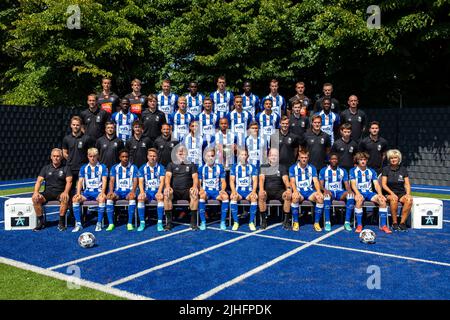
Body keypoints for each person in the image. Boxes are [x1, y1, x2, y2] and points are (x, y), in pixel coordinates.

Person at [350, 152, 391, 234]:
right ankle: (359, 225)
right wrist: (357, 194)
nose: (363, 161)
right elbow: (353, 184)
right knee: (359, 200)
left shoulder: (371, 171)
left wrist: (380, 194)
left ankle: (383, 225)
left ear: (367, 161)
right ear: (357, 161)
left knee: (382, 201)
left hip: (369, 193)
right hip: (359, 192)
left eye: (364, 160)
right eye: (360, 160)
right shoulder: (353, 171)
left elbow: (376, 184)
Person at [32, 148, 72, 231]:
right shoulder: (46, 168)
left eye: (58, 156)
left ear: (61, 157)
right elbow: (39, 181)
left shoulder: (66, 168)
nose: (56, 158)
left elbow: (69, 182)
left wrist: (65, 192)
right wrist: (36, 192)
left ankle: (61, 223)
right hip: (48, 193)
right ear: (51, 157)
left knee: (65, 198)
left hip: (60, 193)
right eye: (54, 156)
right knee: (35, 199)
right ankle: (41, 222)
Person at [71, 148, 108, 232]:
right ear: (87, 156)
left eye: (94, 156)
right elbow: (80, 181)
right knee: (75, 199)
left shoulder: (102, 167)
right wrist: (78, 193)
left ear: (98, 156)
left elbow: (104, 180)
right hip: (87, 193)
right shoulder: (84, 168)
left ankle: (99, 223)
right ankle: (78, 224)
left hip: (97, 192)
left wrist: (102, 192)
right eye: (90, 156)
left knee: (102, 198)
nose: (92, 158)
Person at [164, 145, 199, 230]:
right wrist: (168, 186)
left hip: (187, 191)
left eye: (183, 153)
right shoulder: (171, 164)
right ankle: (169, 223)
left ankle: (193, 223)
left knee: (194, 194)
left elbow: (195, 177)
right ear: (176, 154)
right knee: (167, 195)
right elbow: (168, 176)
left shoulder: (191, 164)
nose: (182, 154)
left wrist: (194, 187)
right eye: (180, 153)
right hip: (175, 191)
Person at [289, 150, 325, 232]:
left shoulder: (312, 168)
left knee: (320, 198)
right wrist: (294, 191)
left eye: (305, 157)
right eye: (302, 157)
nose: (304, 159)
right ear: (299, 158)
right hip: (299, 192)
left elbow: (315, 181)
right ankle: (296, 222)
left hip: (309, 192)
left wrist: (319, 191)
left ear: (308, 158)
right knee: (294, 197)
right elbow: (292, 182)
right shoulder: (293, 168)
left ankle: (316, 223)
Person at [319, 153, 355, 232]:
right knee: (326, 196)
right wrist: (325, 190)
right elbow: (320, 185)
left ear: (338, 160)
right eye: (332, 159)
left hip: (339, 192)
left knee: (351, 196)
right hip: (330, 192)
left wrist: (349, 190)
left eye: (336, 159)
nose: (334, 160)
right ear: (329, 160)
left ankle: (347, 222)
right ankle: (328, 222)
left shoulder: (343, 171)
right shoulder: (324, 170)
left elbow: (346, 184)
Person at [258, 148, 292, 230]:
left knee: (287, 195)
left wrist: (288, 189)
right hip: (267, 192)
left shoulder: (282, 167)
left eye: (275, 155)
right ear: (269, 156)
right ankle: (263, 220)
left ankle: (286, 221)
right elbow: (261, 179)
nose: (273, 157)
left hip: (279, 191)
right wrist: (261, 190)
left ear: (278, 157)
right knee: (261, 195)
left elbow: (286, 180)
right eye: (272, 155)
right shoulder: (263, 166)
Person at [106, 150, 138, 231]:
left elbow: (135, 181)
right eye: (123, 157)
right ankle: (111, 224)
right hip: (118, 192)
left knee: (132, 197)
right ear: (119, 158)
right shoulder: (115, 167)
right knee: (109, 198)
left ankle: (130, 223)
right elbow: (112, 180)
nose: (125, 158)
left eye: (126, 157)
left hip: (129, 191)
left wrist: (133, 191)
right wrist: (110, 191)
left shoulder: (133, 167)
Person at [381, 149, 413, 232]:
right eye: (391, 158)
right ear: (389, 159)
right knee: (393, 199)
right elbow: (384, 185)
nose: (393, 159)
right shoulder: (386, 169)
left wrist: (408, 194)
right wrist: (392, 193)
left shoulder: (403, 169)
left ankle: (402, 223)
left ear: (399, 159)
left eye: (395, 158)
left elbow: (407, 184)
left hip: (401, 193)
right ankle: (394, 223)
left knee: (409, 200)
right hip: (388, 193)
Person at [62, 116, 95, 194]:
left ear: (81, 126)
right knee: (69, 191)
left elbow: (91, 153)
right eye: (74, 125)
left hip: (83, 168)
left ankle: (83, 206)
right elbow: (64, 153)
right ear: (71, 125)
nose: (75, 126)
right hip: (70, 168)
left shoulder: (87, 138)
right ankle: (70, 206)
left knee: (83, 191)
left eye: (77, 125)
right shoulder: (66, 139)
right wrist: (71, 159)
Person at [198, 148, 229, 230]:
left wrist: (222, 190)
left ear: (215, 157)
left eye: (212, 156)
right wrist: (201, 189)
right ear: (205, 157)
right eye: (208, 156)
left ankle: (222, 222)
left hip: (216, 192)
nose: (210, 158)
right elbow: (199, 182)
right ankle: (203, 222)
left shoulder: (220, 167)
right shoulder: (201, 168)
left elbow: (223, 182)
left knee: (225, 197)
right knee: (201, 196)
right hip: (206, 192)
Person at [137, 148, 166, 232]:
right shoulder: (143, 168)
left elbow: (162, 181)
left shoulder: (161, 167)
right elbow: (141, 182)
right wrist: (142, 192)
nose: (152, 158)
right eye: (150, 156)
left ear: (156, 157)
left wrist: (160, 192)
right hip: (147, 192)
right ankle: (142, 223)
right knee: (140, 198)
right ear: (147, 157)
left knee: (160, 197)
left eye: (154, 156)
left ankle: (159, 223)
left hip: (157, 191)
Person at [230, 148, 259, 231]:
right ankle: (236, 222)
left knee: (254, 198)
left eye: (245, 155)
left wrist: (253, 192)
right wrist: (234, 191)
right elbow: (231, 181)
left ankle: (251, 222)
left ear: (248, 156)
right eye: (241, 155)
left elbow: (255, 181)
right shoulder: (234, 167)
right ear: (238, 156)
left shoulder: (252, 167)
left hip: (248, 192)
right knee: (233, 197)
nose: (243, 157)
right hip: (238, 191)